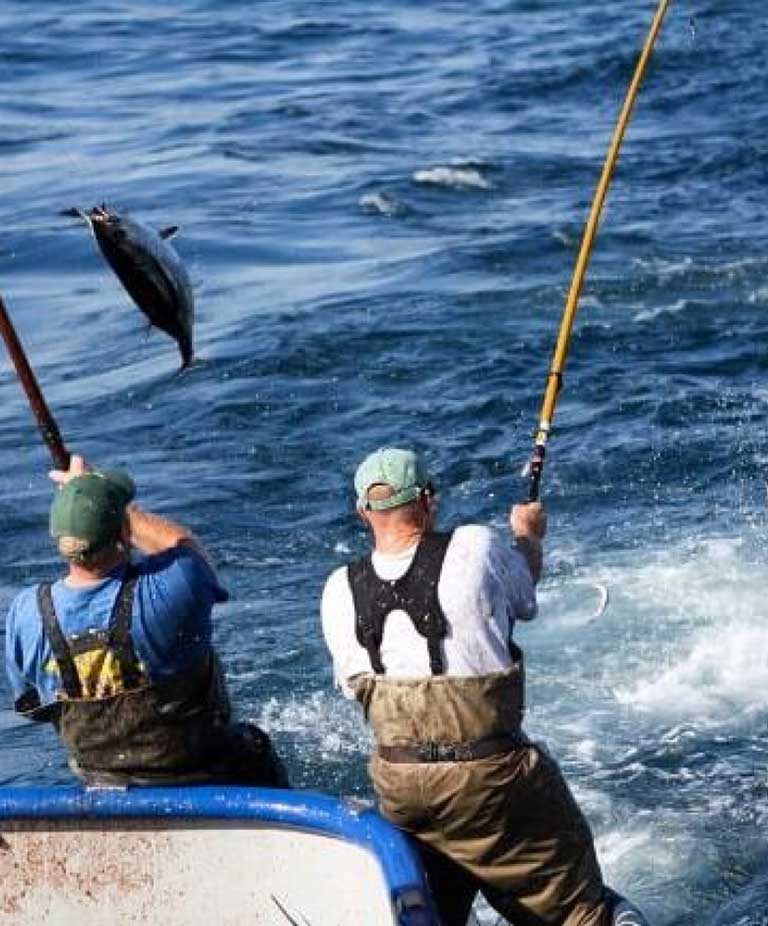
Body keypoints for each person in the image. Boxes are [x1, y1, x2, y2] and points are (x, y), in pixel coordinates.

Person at [321, 447, 646, 926]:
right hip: (491, 781)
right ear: (429, 501)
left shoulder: (337, 590)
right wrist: (528, 536)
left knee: (433, 910)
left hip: (403, 792)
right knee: (584, 911)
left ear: (362, 513)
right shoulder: (474, 546)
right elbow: (524, 595)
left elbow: (355, 688)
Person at [5, 453, 287, 788]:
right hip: (205, 773)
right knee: (254, 745)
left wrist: (81, 505)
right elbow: (183, 545)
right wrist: (107, 501)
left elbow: (32, 706)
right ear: (124, 533)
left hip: (102, 781)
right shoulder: (176, 585)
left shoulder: (26, 613)